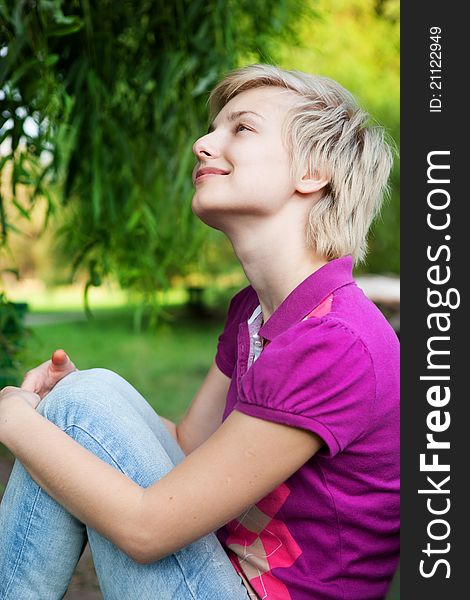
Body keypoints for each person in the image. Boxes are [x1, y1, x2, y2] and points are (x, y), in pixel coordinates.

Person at [0, 64, 399, 599]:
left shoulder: (335, 341)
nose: (202, 143)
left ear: (313, 172)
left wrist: (15, 421)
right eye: (216, 128)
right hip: (219, 574)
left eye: (243, 128)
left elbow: (148, 529)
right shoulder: (256, 313)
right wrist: (73, 410)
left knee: (80, 404)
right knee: (82, 397)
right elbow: (189, 445)